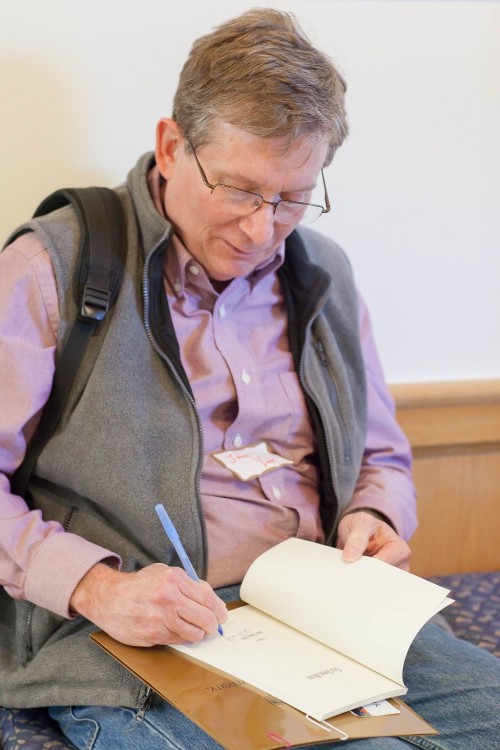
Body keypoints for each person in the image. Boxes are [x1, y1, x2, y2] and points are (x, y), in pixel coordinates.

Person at [0, 8, 498, 750]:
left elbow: (381, 454)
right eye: (238, 190)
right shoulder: (52, 269)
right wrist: (97, 588)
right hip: (138, 638)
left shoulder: (323, 272)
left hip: (322, 617)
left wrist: (379, 515)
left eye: (292, 198)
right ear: (172, 146)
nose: (261, 230)